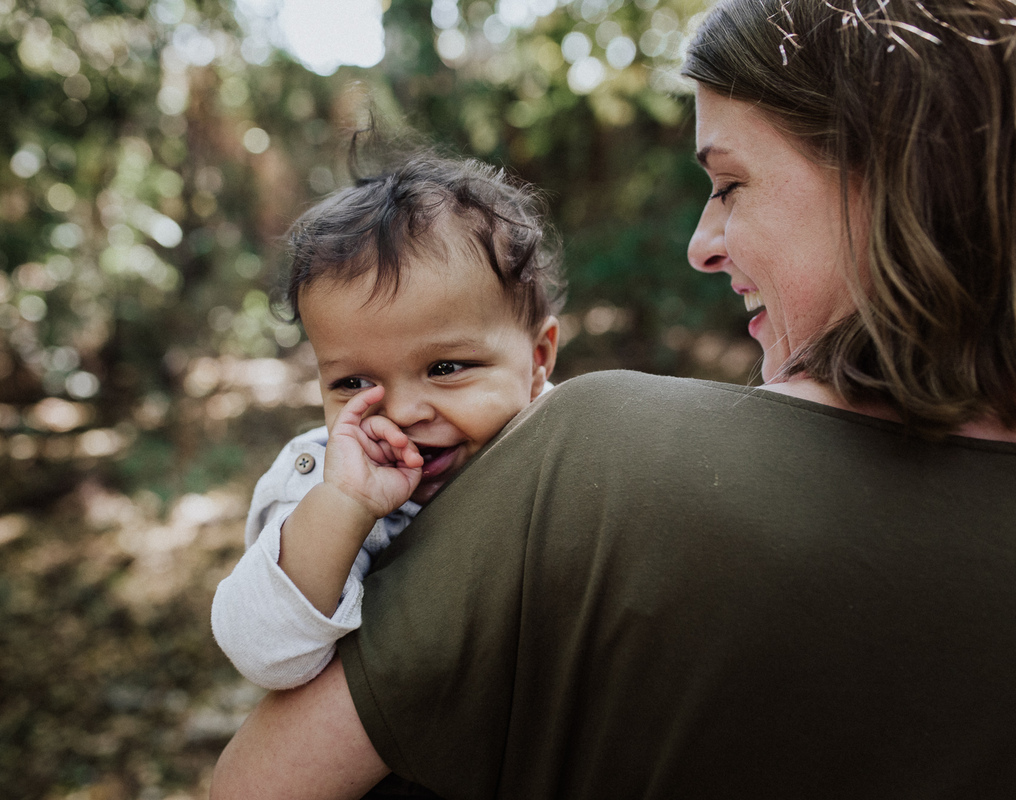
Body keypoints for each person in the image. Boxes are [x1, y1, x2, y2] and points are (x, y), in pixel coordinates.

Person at [209, 0, 1016, 796]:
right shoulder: (344, 479)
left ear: (890, 177)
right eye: (352, 381)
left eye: (730, 184)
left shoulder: (589, 465)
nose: (700, 245)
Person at [210, 152, 562, 690]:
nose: (399, 413)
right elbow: (263, 654)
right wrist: (345, 507)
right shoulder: (324, 484)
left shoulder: (568, 441)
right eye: (353, 382)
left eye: (445, 369)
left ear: (537, 361)